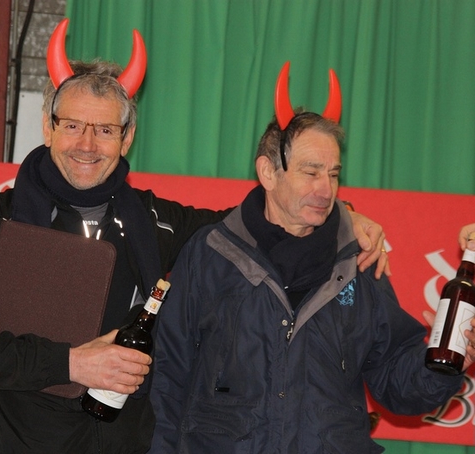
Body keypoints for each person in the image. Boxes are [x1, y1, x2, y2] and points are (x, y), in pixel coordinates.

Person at [0, 22, 387, 454]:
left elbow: (261, 222)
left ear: (127, 139)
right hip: (7, 442)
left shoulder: (157, 223)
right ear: (48, 128)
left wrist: (338, 214)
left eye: (105, 130)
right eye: (72, 125)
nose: (87, 144)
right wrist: (70, 364)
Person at [148, 64, 470, 453]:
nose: (325, 189)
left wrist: (445, 362)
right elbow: (167, 378)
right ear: (268, 172)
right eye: (310, 172)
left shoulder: (360, 261)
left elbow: (397, 385)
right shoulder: (210, 254)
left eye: (333, 174)